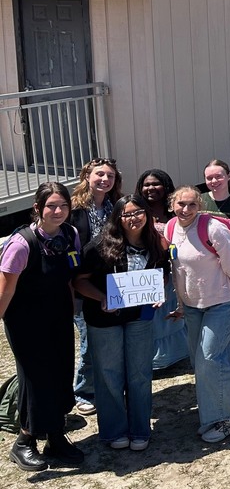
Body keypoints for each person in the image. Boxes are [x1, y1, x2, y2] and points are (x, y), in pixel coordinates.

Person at [166, 185, 230, 443]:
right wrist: (181, 305)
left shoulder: (213, 229)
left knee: (212, 360)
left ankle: (229, 418)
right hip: (193, 306)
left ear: (200, 206)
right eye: (181, 204)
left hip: (222, 302)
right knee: (199, 363)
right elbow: (178, 271)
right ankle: (211, 418)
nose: (186, 209)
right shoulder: (170, 228)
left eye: (192, 204)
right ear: (172, 205)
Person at [0, 183, 85, 472]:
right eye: (51, 206)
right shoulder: (21, 244)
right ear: (37, 208)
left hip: (58, 316)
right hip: (26, 322)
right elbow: (6, 290)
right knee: (36, 379)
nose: (58, 211)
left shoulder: (69, 234)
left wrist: (71, 308)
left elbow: (69, 278)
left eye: (63, 205)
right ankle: (24, 441)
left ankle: (55, 437)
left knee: (61, 372)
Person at [73, 195, 168, 451]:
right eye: (127, 214)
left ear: (147, 214)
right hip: (104, 318)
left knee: (140, 373)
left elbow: (163, 272)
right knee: (109, 375)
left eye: (138, 212)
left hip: (140, 317)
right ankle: (114, 431)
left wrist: (159, 291)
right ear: (117, 217)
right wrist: (101, 297)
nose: (133, 218)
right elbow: (79, 281)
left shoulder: (157, 243)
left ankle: (140, 429)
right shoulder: (98, 246)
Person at [69, 157, 123, 416]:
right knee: (89, 342)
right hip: (82, 283)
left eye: (110, 176)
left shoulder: (116, 206)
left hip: (111, 281)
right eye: (100, 174)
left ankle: (108, 386)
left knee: (109, 341)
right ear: (87, 177)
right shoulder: (74, 210)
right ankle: (84, 391)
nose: (105, 179)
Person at [135, 168, 189, 370]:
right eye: (146, 185)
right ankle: (155, 359)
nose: (151, 188)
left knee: (172, 310)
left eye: (156, 184)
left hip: (176, 268)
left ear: (165, 186)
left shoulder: (176, 210)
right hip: (149, 270)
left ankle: (176, 353)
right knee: (154, 315)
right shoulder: (137, 211)